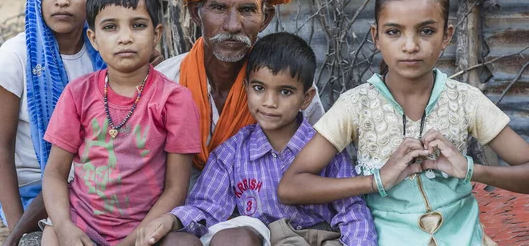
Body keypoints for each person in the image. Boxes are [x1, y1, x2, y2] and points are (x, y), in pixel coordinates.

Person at [278, 0, 529, 245]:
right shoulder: (356, 105)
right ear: (376, 37)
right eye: (394, 32)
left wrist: (469, 169)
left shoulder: (466, 100)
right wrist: (377, 181)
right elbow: (292, 186)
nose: (410, 46)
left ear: (447, 36)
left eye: (426, 31)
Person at [138, 32, 377, 246]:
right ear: (246, 88)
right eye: (259, 88)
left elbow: (352, 210)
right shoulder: (231, 153)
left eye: (285, 91)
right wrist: (173, 219)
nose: (269, 102)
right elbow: (206, 207)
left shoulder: (325, 148)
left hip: (320, 237)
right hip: (265, 238)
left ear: (307, 98)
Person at [155, 0, 325, 185]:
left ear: (266, 17)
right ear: (196, 13)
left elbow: (320, 163)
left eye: (247, 10)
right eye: (219, 8)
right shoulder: (164, 84)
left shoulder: (291, 89)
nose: (233, 26)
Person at [41, 0, 201, 246]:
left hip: (143, 230)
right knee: (52, 237)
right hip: (81, 224)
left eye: (138, 25)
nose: (125, 38)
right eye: (110, 27)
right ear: (93, 38)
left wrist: (134, 239)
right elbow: (55, 173)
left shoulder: (175, 99)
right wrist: (65, 226)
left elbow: (176, 188)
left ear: (156, 34)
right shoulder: (77, 94)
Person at [0, 0, 107, 243]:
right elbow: (0, 149)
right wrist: (17, 230)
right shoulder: (17, 56)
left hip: (92, 178)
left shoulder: (103, 53)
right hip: (28, 185)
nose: (62, 0)